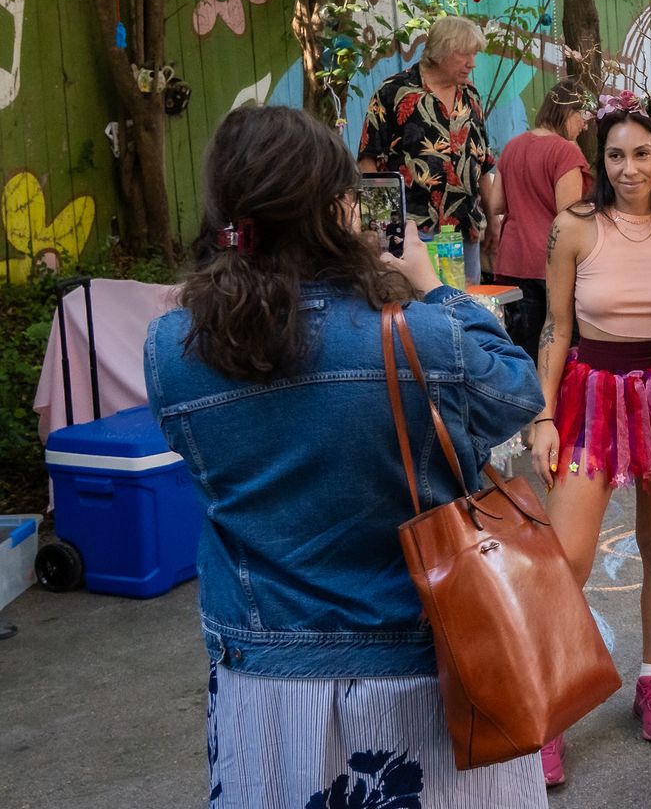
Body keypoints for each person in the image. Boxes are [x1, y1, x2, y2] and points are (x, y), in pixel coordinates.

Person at [145, 106, 547, 809]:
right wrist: (431, 283)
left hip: (263, 680)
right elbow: (518, 388)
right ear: (338, 209)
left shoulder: (173, 352)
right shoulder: (417, 337)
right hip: (425, 676)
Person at [528, 92, 651, 786]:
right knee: (567, 562)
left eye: (641, 152)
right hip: (589, 397)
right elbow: (555, 328)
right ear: (600, 159)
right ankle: (549, 716)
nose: (628, 166)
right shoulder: (573, 228)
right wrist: (542, 416)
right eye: (615, 154)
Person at [358, 15, 500, 283]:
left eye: (474, 54)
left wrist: (492, 220)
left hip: (462, 229)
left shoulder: (470, 95)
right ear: (441, 51)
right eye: (465, 55)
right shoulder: (393, 92)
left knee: (463, 307)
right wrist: (376, 229)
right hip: (411, 231)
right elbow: (368, 162)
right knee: (415, 307)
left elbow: (482, 162)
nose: (472, 63)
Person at [492, 81, 592, 358]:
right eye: (581, 117)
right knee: (560, 354)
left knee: (520, 353)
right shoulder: (566, 151)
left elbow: (496, 203)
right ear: (568, 112)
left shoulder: (512, 146)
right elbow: (569, 213)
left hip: (511, 262)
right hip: (551, 264)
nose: (584, 126)